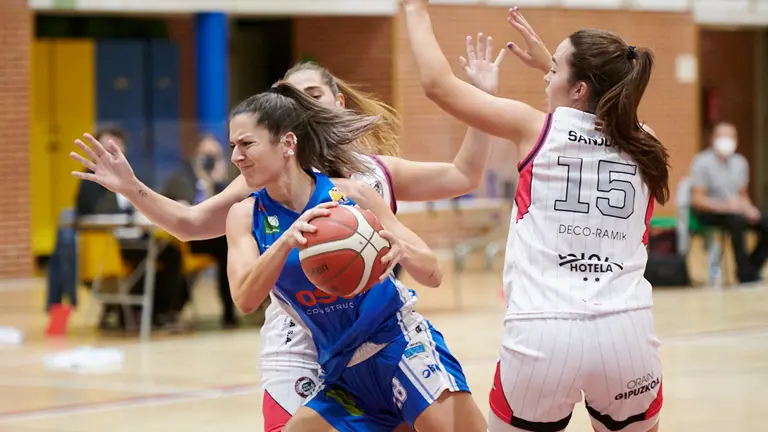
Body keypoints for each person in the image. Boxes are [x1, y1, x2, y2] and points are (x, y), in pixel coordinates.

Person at [70, 42, 503, 431]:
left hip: (384, 329)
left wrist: (482, 101)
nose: (300, 105)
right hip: (305, 340)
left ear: (337, 102)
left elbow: (461, 181)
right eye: (291, 98)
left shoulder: (367, 177)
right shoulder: (254, 192)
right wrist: (132, 187)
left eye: (310, 95)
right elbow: (191, 225)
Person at [403, 2, 668, 431]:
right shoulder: (645, 141)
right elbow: (603, 106)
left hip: (543, 333)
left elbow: (437, 85)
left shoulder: (535, 128)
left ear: (578, 88)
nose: (546, 75)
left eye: (554, 69)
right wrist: (560, 67)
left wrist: (414, 8)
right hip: (626, 332)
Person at [226, 81, 486, 431]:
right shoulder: (245, 216)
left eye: (246, 144)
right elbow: (244, 299)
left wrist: (403, 250)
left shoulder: (352, 195)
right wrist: (285, 242)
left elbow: (433, 274)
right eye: (233, 146)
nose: (236, 156)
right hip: (341, 370)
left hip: (399, 344)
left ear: (287, 144)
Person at [74, 124, 186, 330]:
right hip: (111, 243)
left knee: (171, 253)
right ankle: (131, 310)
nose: (111, 151)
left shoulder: (128, 175)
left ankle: (162, 311)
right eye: (106, 146)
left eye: (116, 146)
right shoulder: (90, 179)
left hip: (135, 236)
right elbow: (91, 212)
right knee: (146, 260)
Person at [163, 134, 238, 327]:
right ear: (196, 155)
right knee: (224, 247)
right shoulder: (183, 176)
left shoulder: (225, 180)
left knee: (228, 247)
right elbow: (181, 206)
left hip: (213, 237)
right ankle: (173, 307)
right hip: (186, 239)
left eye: (215, 156)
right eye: (206, 155)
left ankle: (229, 309)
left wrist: (216, 182)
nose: (209, 161)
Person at [690, 121, 768, 283]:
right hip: (710, 212)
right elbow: (698, 200)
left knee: (764, 223)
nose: (727, 140)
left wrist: (749, 209)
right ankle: (744, 273)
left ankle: (751, 269)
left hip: (736, 210)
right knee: (736, 221)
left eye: (731, 137)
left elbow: (742, 195)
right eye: (722, 136)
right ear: (713, 138)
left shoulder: (740, 163)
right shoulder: (701, 162)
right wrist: (728, 207)